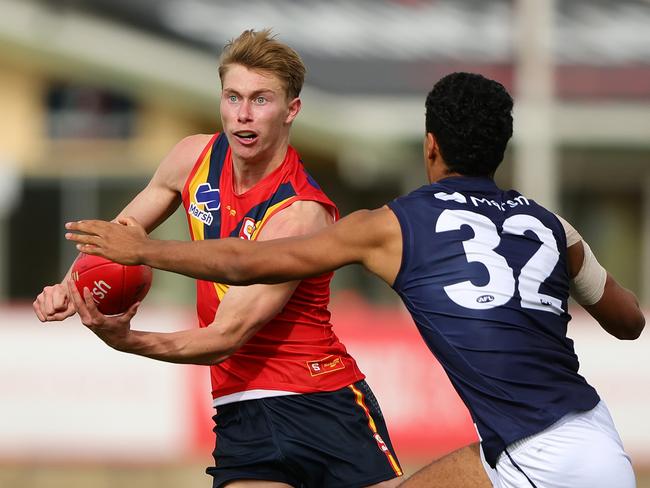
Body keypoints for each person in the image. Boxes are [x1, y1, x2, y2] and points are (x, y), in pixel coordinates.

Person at [65, 72, 646, 488]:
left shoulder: (390, 226)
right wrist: (578, 263)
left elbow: (249, 262)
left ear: (430, 146)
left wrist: (145, 250)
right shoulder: (550, 226)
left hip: (535, 457)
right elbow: (629, 322)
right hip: (589, 439)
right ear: (502, 149)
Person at [34, 29, 405, 488]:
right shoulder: (192, 157)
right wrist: (70, 287)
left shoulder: (300, 213)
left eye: (261, 100)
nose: (242, 115)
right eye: (233, 97)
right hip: (240, 410)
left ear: (292, 110)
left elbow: (226, 335)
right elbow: (119, 239)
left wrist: (128, 342)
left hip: (321, 403)